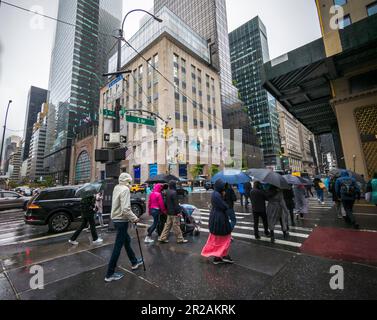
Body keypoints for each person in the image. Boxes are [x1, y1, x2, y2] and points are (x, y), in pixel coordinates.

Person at [105, 173, 143, 283]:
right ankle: (109, 274)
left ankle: (134, 262)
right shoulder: (125, 190)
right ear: (127, 181)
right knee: (118, 246)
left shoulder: (117, 187)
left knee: (127, 241)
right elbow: (126, 209)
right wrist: (135, 218)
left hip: (116, 219)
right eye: (130, 181)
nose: (131, 184)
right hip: (122, 220)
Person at [201, 179, 234, 265]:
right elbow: (224, 206)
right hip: (219, 218)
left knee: (219, 238)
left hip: (217, 217)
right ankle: (221, 255)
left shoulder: (216, 194)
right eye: (223, 187)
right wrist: (224, 198)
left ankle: (219, 256)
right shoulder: (216, 195)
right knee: (225, 237)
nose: (224, 189)